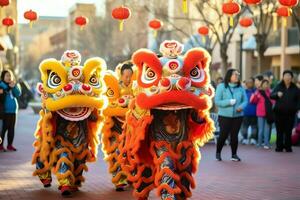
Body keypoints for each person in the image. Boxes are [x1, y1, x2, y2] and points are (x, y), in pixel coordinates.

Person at [215, 69, 248, 162]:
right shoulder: (221, 86)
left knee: (234, 135)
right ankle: (218, 153)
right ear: (229, 76)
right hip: (224, 116)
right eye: (235, 75)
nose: (237, 76)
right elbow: (217, 101)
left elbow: (245, 100)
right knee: (223, 135)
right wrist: (228, 102)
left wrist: (241, 107)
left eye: (238, 75)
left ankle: (234, 155)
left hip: (238, 116)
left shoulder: (240, 88)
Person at [271, 70, 300, 152]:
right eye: (286, 76)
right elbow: (271, 95)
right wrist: (276, 94)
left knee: (288, 131)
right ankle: (279, 147)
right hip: (279, 113)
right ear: (283, 77)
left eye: (289, 76)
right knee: (279, 131)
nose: (287, 77)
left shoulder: (295, 88)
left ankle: (288, 147)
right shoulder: (278, 86)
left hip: (290, 114)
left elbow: (298, 100)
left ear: (291, 78)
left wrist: (297, 108)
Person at [0, 69, 21, 152]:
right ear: (3, 77)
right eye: (7, 75)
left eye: (10, 75)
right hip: (5, 112)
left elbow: (18, 94)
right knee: (3, 129)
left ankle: (10, 145)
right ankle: (0, 145)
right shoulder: (1, 85)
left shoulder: (13, 85)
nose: (9, 77)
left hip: (13, 111)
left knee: (11, 129)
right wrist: (8, 87)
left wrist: (14, 87)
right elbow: (3, 93)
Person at [250, 79, 274, 149]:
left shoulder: (270, 92)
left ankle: (266, 143)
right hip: (260, 113)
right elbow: (252, 101)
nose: (266, 85)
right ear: (262, 85)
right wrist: (256, 94)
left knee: (267, 129)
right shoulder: (258, 92)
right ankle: (259, 143)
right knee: (260, 129)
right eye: (264, 84)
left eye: (267, 84)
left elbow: (273, 101)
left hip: (268, 113)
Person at [241, 78, 257, 145]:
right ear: (246, 84)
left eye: (251, 82)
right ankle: (245, 138)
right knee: (245, 126)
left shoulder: (256, 91)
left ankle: (253, 139)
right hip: (245, 112)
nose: (249, 84)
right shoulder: (243, 92)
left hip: (254, 112)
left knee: (254, 126)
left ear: (253, 83)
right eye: (248, 82)